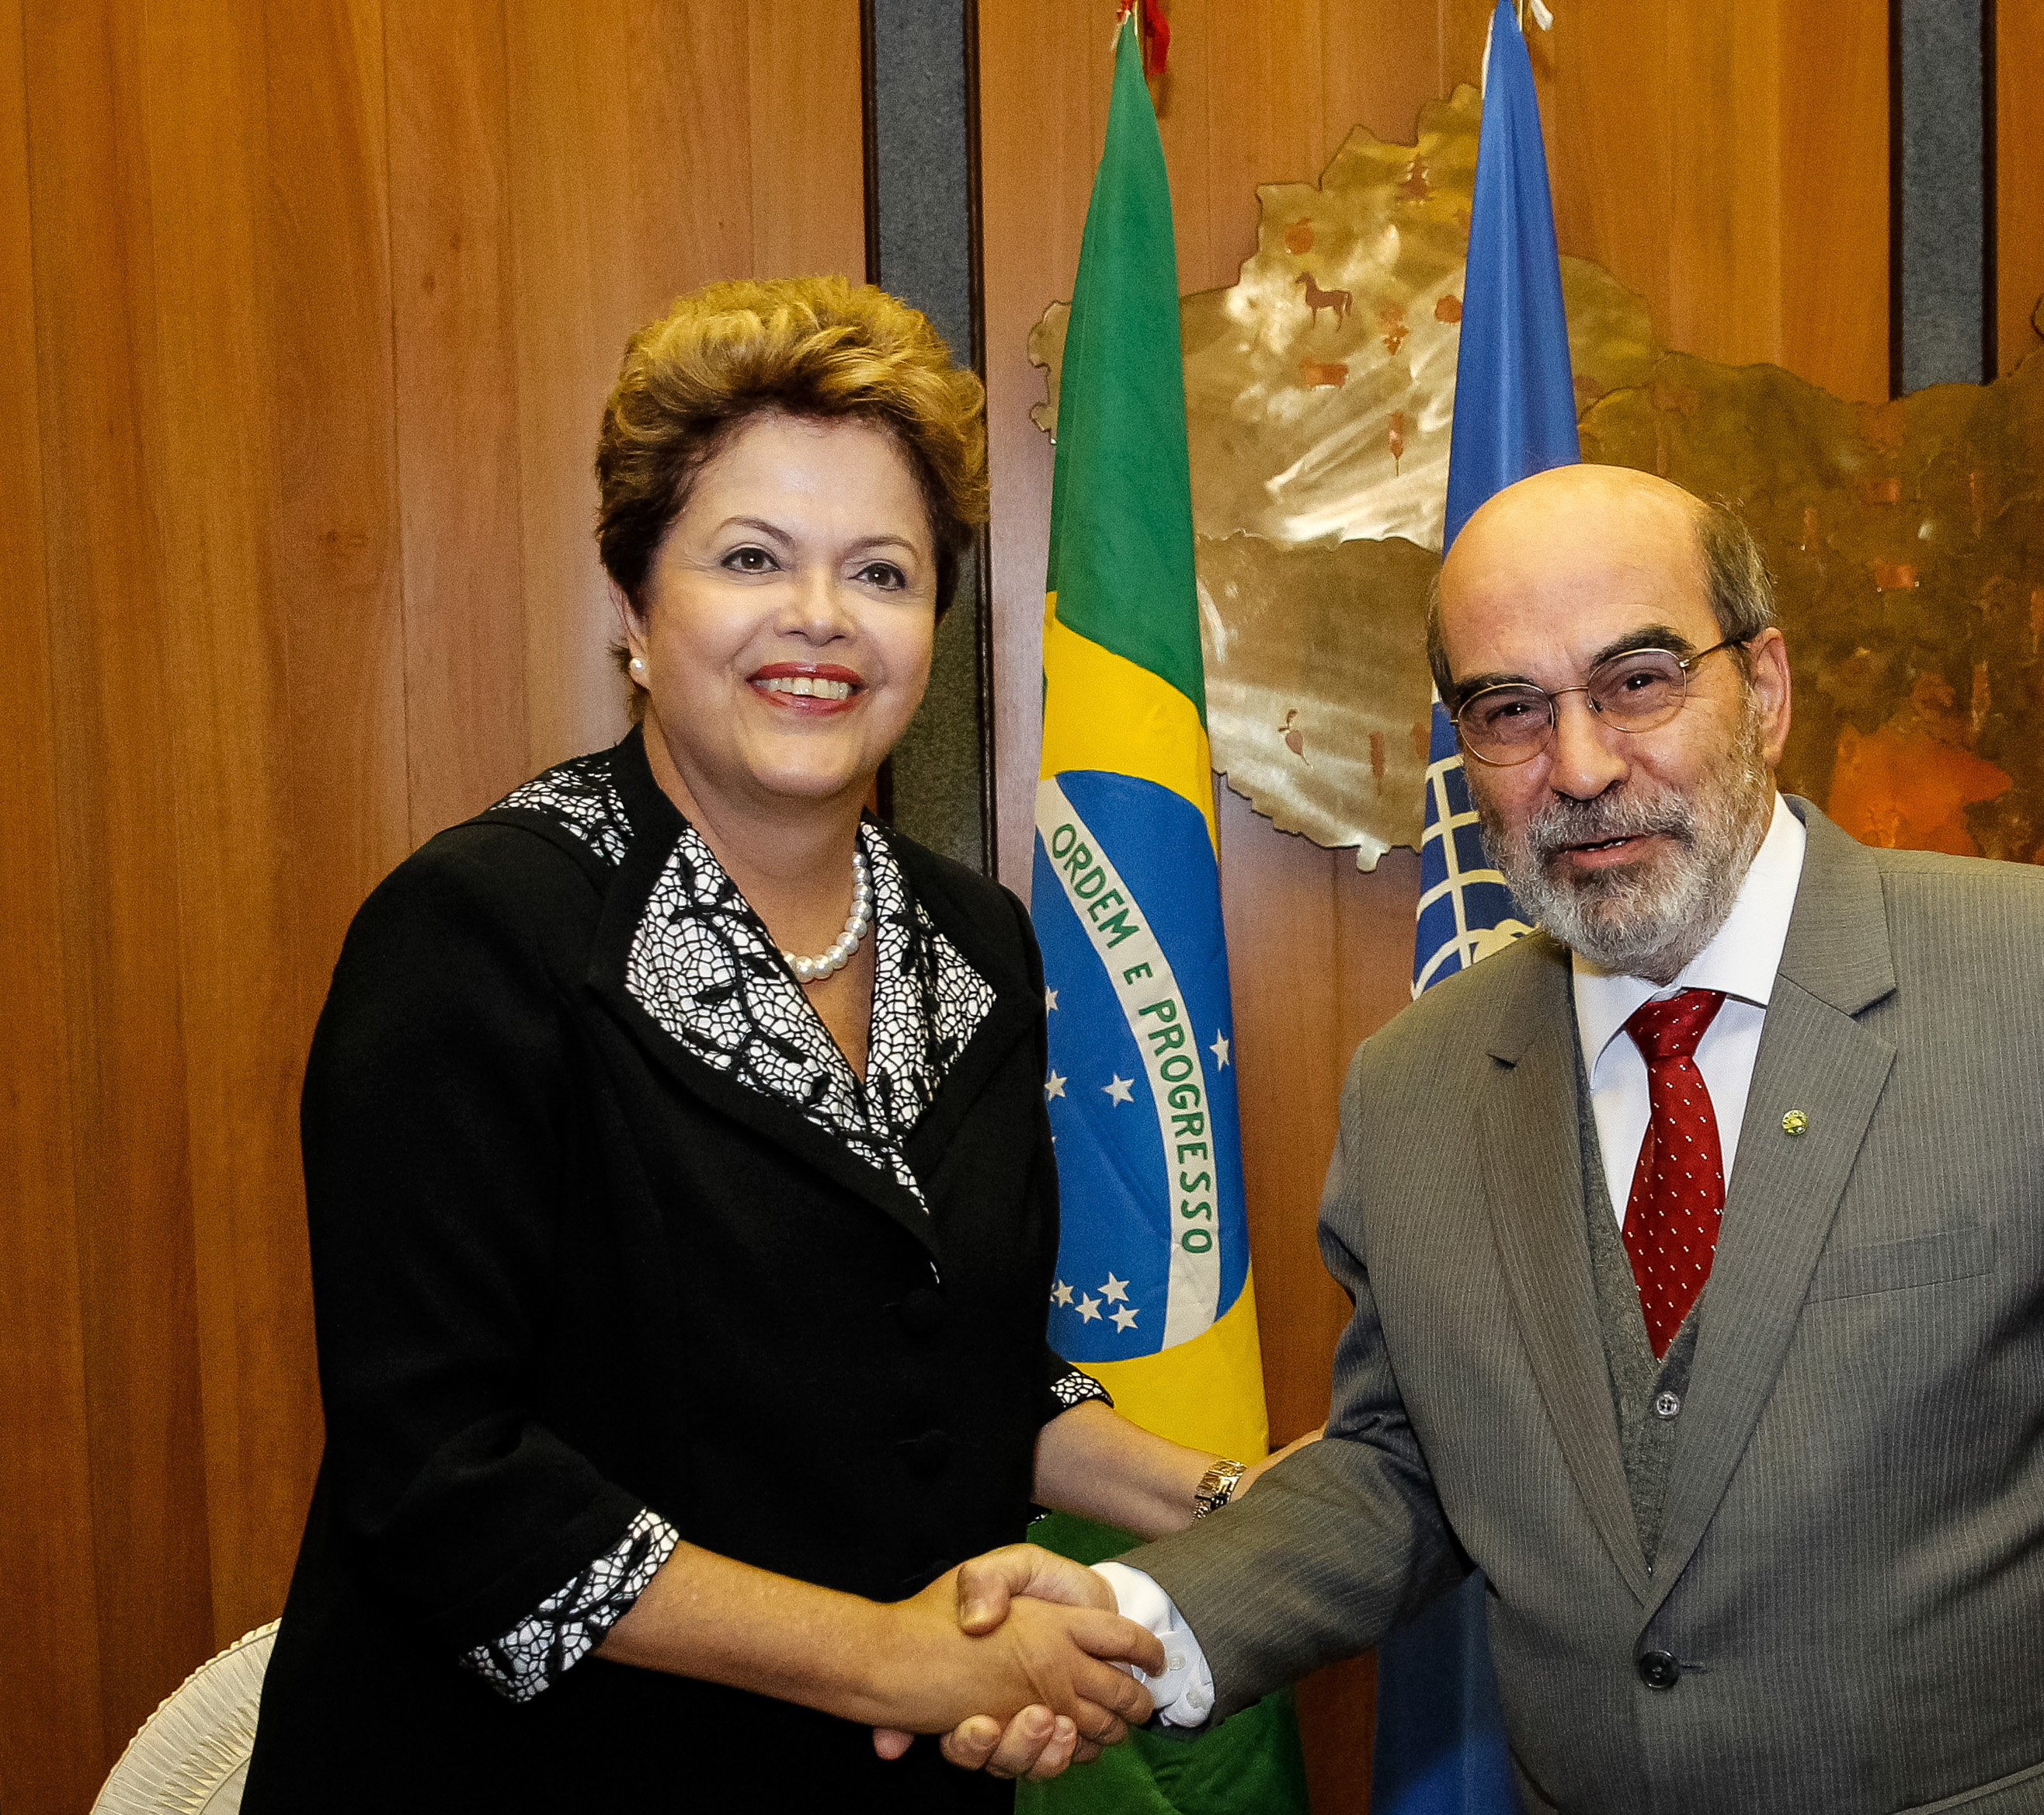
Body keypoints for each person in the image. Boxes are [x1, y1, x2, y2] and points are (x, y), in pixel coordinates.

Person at [958, 463, 2044, 1811]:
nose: (1577, 766)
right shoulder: (1414, 1090)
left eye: (1635, 682)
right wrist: (1135, 1615)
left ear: (1761, 687)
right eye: (1507, 710)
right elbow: (1405, 1463)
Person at [245, 275, 1284, 1810]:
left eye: (880, 569)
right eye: (750, 558)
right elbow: (442, 1483)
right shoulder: (479, 931)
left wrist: (1232, 1499)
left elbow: (965, 1369)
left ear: (933, 621)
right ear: (635, 611)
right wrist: (891, 1655)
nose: (819, 617)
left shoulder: (976, 941)